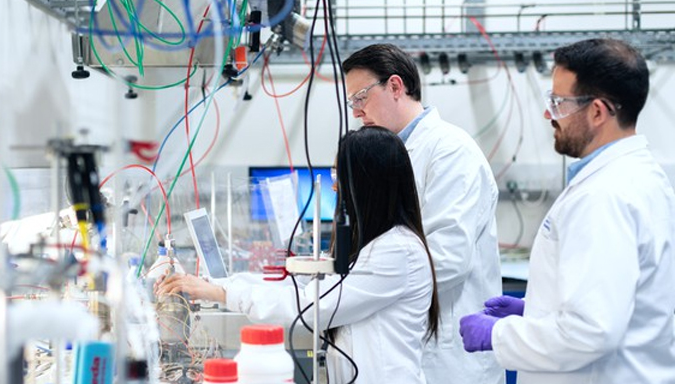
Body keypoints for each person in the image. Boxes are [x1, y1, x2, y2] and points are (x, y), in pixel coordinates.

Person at [458, 38, 675, 383]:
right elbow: (619, 299)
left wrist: (498, 336)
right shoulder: (640, 176)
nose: (548, 114)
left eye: (559, 103)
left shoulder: (604, 196)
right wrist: (538, 310)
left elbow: (591, 332)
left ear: (598, 111)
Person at [158, 126, 440, 384]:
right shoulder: (376, 244)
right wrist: (221, 285)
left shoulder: (397, 251)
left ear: (367, 184)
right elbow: (310, 287)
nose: (334, 186)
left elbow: (312, 306)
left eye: (338, 176)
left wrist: (222, 294)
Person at [342, 44, 504, 384]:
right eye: (352, 103)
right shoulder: (389, 154)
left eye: (361, 98)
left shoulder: (450, 152)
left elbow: (448, 258)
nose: (356, 112)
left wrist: (360, 287)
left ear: (396, 87)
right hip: (408, 346)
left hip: (448, 357)